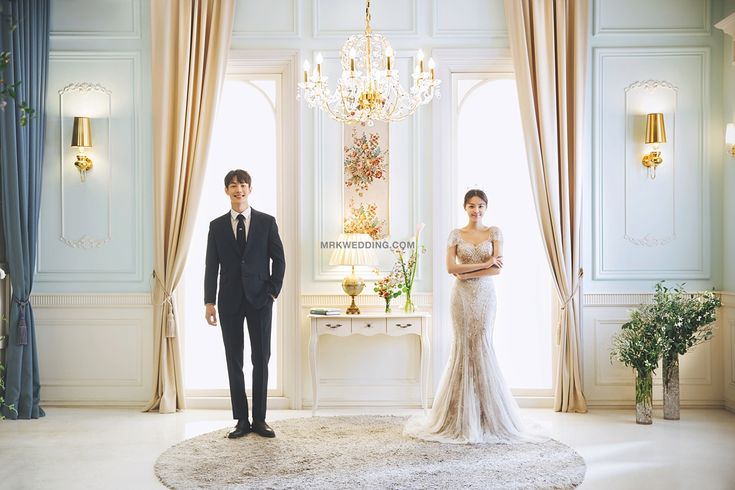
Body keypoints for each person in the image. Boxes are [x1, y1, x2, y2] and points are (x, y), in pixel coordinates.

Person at [404, 189, 537, 444]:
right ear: (465, 207)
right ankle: (457, 417)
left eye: (481, 206)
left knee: (483, 345)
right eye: (472, 206)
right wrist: (484, 265)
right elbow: (450, 268)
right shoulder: (456, 234)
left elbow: (497, 272)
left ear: (486, 207)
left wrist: (472, 271)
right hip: (461, 298)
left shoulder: (494, 232)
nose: (476, 210)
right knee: (463, 347)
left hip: (485, 296)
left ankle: (488, 417)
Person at [204, 169, 285, 439]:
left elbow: (279, 260)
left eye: (243, 185)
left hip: (261, 300)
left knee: (261, 359)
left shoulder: (266, 222)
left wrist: (272, 292)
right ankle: (241, 419)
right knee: (234, 360)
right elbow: (210, 266)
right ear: (226, 190)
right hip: (229, 301)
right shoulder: (216, 226)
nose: (239, 189)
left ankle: (260, 419)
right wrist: (209, 302)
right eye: (233, 185)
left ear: (250, 189)